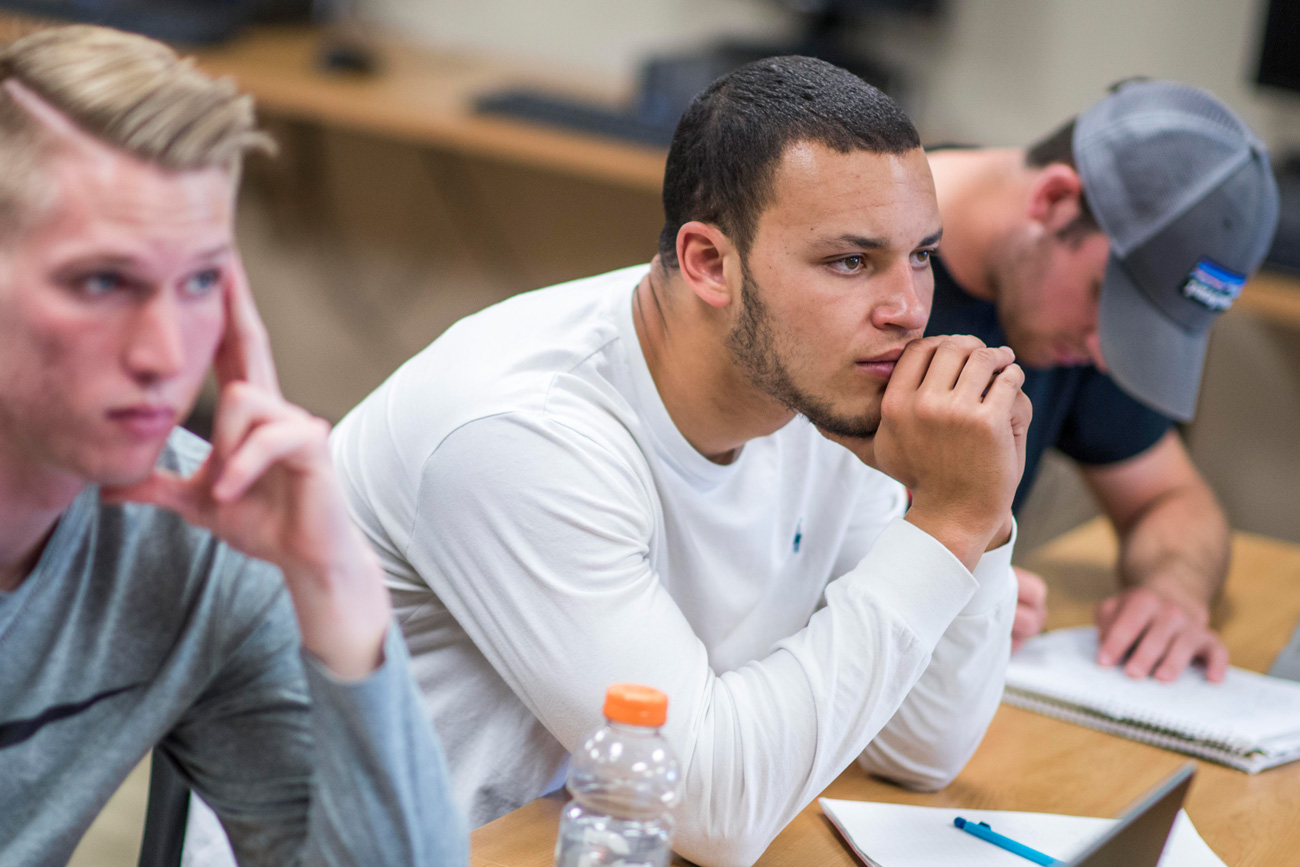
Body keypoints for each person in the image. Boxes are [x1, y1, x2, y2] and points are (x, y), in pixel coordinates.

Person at [332, 56, 1030, 867]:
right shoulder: (521, 430)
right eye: (851, 261)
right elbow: (703, 810)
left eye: (920, 255)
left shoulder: (825, 386)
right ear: (708, 263)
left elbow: (921, 747)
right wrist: (948, 521)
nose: (908, 309)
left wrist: (975, 519)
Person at [0, 26, 464, 866]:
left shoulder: (201, 533)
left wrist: (335, 582)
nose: (166, 355)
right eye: (102, 281)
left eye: (201, 281)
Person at [925, 79, 1279, 681]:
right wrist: (928, 595)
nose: (1109, 354)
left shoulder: (1075, 328)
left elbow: (1171, 500)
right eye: (1107, 305)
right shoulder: (844, 265)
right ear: (1057, 201)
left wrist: (1174, 591)